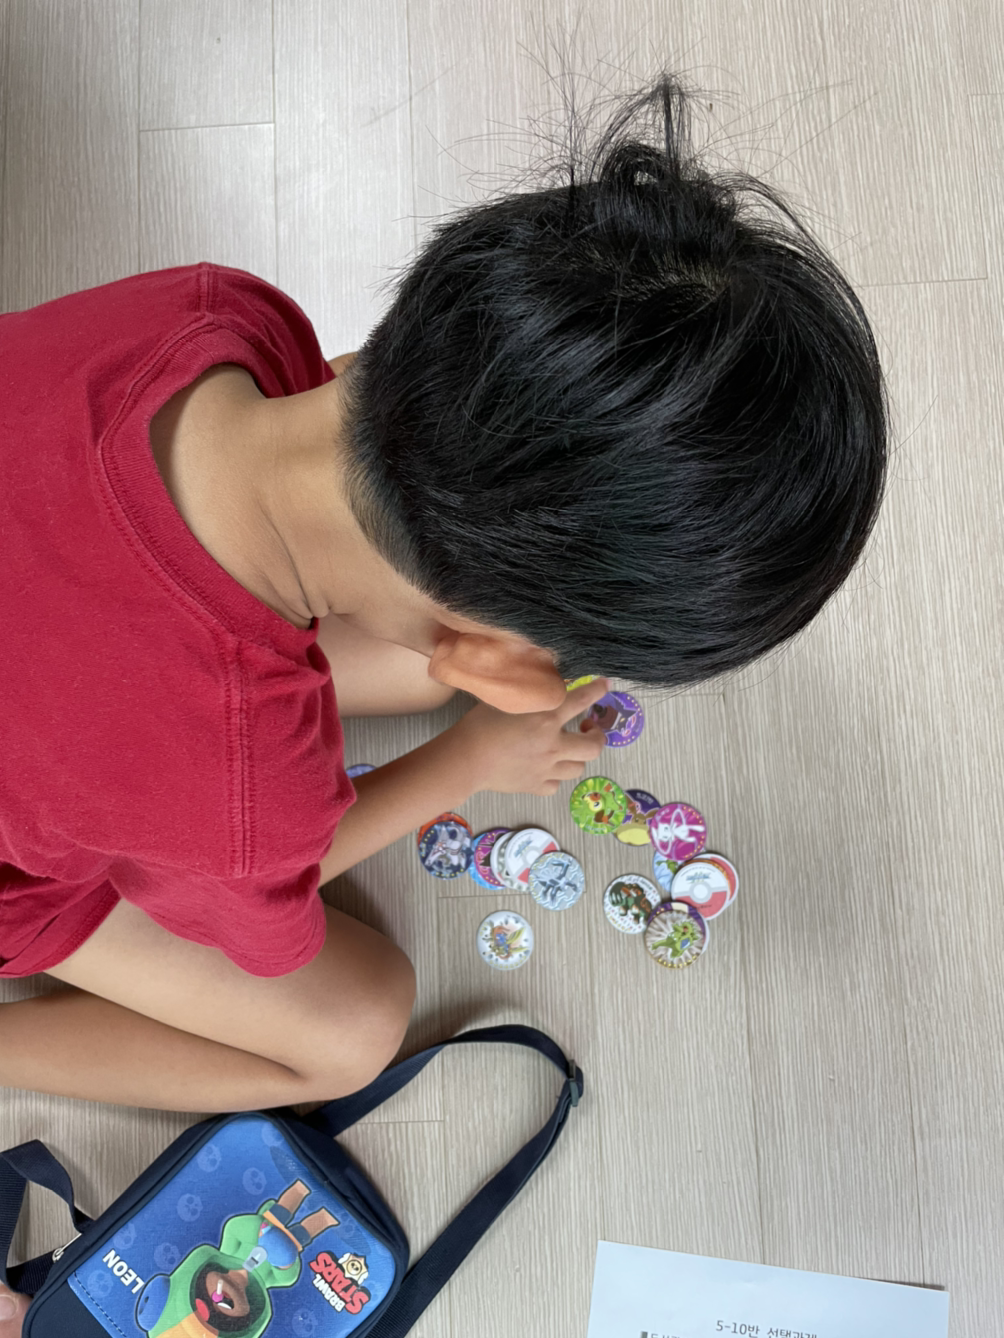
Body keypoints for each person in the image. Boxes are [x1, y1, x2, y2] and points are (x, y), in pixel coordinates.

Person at [0, 72, 886, 1136]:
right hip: (31, 858)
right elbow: (255, 888)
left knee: (378, 657)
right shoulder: (239, 802)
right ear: (495, 664)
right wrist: (466, 763)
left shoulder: (218, 313)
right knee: (353, 1030)